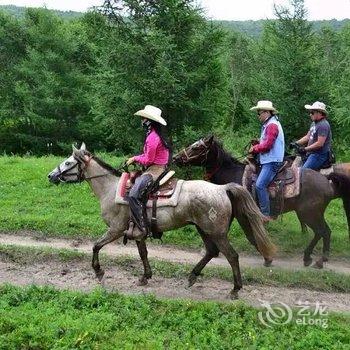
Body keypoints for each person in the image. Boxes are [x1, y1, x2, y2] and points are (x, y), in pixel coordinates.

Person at [124, 105, 171, 240]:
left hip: (155, 170)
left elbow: (148, 159)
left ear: (149, 121)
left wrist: (134, 158)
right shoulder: (155, 135)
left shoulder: (152, 137)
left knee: (133, 195)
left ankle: (142, 227)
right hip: (157, 167)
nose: (142, 120)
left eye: (144, 118)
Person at [248, 100, 285, 221]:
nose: (258, 115)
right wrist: (259, 143)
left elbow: (268, 145)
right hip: (268, 159)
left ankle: (265, 215)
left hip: (272, 161)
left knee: (259, 185)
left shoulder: (272, 125)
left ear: (267, 112)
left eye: (259, 113)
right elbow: (266, 142)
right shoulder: (269, 124)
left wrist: (255, 148)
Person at [293, 101, 332, 170]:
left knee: (302, 172)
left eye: (312, 112)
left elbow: (320, 144)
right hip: (312, 153)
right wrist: (296, 143)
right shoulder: (314, 123)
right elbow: (308, 137)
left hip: (319, 155)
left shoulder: (323, 125)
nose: (310, 114)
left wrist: (305, 149)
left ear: (319, 113)